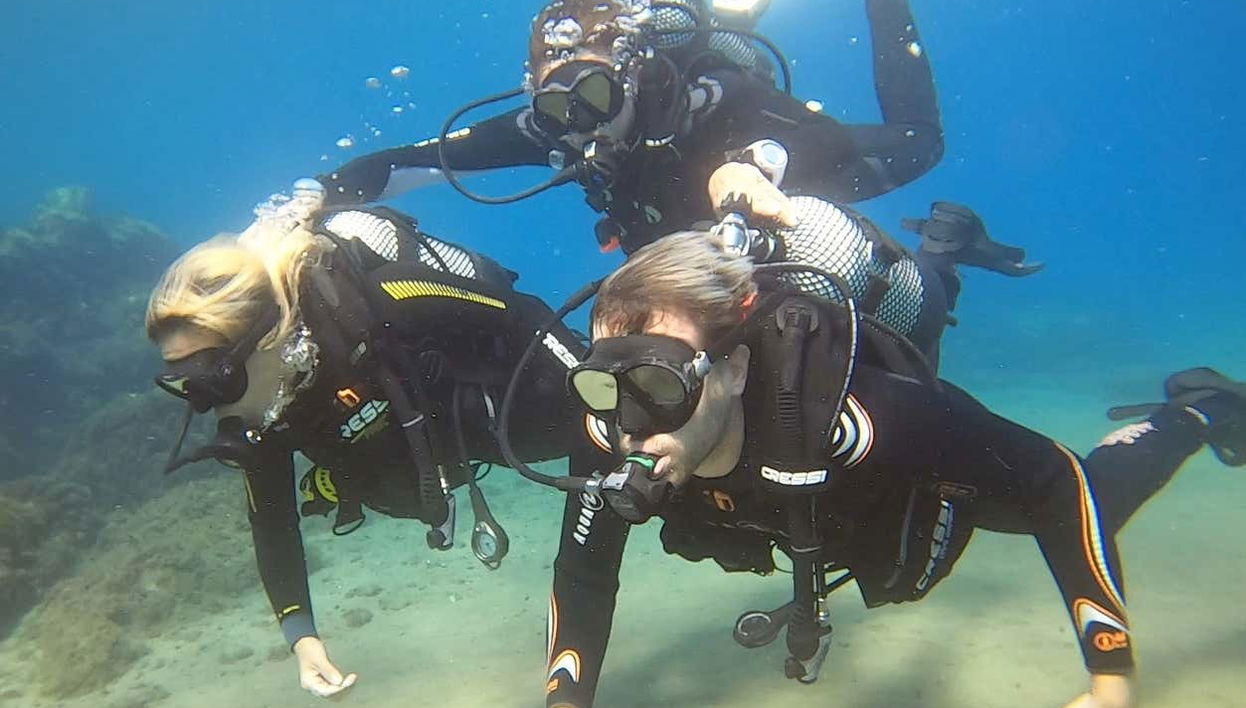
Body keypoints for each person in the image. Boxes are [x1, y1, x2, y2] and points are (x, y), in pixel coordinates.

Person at [538, 230, 1246, 708]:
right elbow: (585, 572)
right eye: (607, 380)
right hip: (813, 518)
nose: (632, 420)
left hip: (915, 487)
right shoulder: (612, 428)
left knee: (1089, 501)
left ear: (736, 365)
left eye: (661, 384)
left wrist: (1111, 677)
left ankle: (1195, 411)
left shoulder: (859, 421)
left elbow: (1054, 478)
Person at [145, 189, 586, 698]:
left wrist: (599, 392)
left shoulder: (381, 299)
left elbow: (522, 312)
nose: (209, 405)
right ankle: (342, 479)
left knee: (586, 428)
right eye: (184, 386)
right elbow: (271, 518)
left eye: (212, 377)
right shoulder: (263, 407)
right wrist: (302, 639)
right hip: (413, 446)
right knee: (378, 484)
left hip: (501, 403)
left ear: (265, 338)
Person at [315, 0, 1031, 276]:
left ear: (634, 76)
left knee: (920, 143)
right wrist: (312, 201)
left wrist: (756, 168)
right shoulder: (557, 124)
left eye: (594, 91)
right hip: (692, 243)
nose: (580, 119)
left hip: (800, 181)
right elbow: (410, 164)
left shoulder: (711, 93)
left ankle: (944, 250)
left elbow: (797, 139)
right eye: (556, 100)